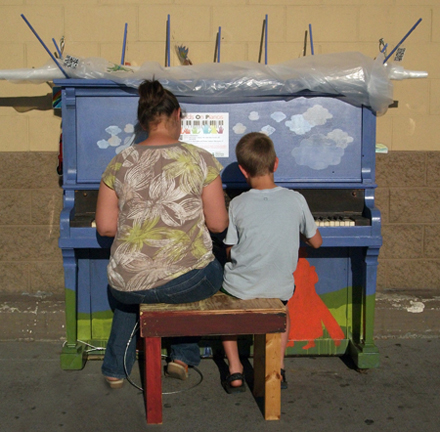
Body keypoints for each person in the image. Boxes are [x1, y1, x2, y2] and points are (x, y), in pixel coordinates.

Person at [95, 79, 228, 388]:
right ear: (178, 114)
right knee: (203, 269)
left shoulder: (119, 161)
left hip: (126, 284)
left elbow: (105, 227)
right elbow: (219, 224)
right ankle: (183, 357)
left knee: (138, 289)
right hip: (186, 281)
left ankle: (115, 369)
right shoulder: (200, 158)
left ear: (144, 121)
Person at [220, 132, 322, 393]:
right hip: (278, 288)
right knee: (283, 310)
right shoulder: (296, 199)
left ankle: (234, 370)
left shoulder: (238, 203)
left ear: (243, 171)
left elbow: (230, 247)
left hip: (240, 288)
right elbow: (317, 242)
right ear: (276, 164)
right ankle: (278, 367)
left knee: (227, 314)